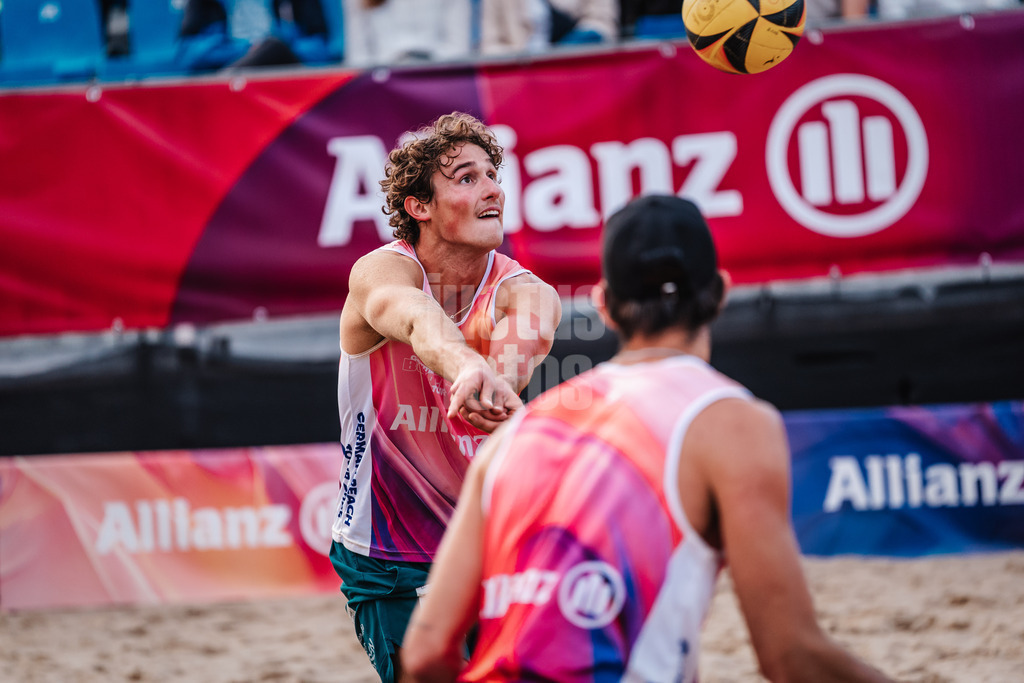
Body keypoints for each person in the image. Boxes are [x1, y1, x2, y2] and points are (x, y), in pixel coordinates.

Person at [401, 194, 896, 682]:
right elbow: (790, 658)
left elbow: (424, 653)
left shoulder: (522, 430)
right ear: (721, 293)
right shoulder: (733, 422)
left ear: (604, 306)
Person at [330, 112, 561, 683]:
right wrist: (465, 368)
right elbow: (415, 318)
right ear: (419, 206)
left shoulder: (527, 293)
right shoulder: (381, 271)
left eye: (492, 174)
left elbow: (513, 361)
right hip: (389, 552)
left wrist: (492, 386)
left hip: (492, 544)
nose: (492, 190)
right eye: (466, 177)